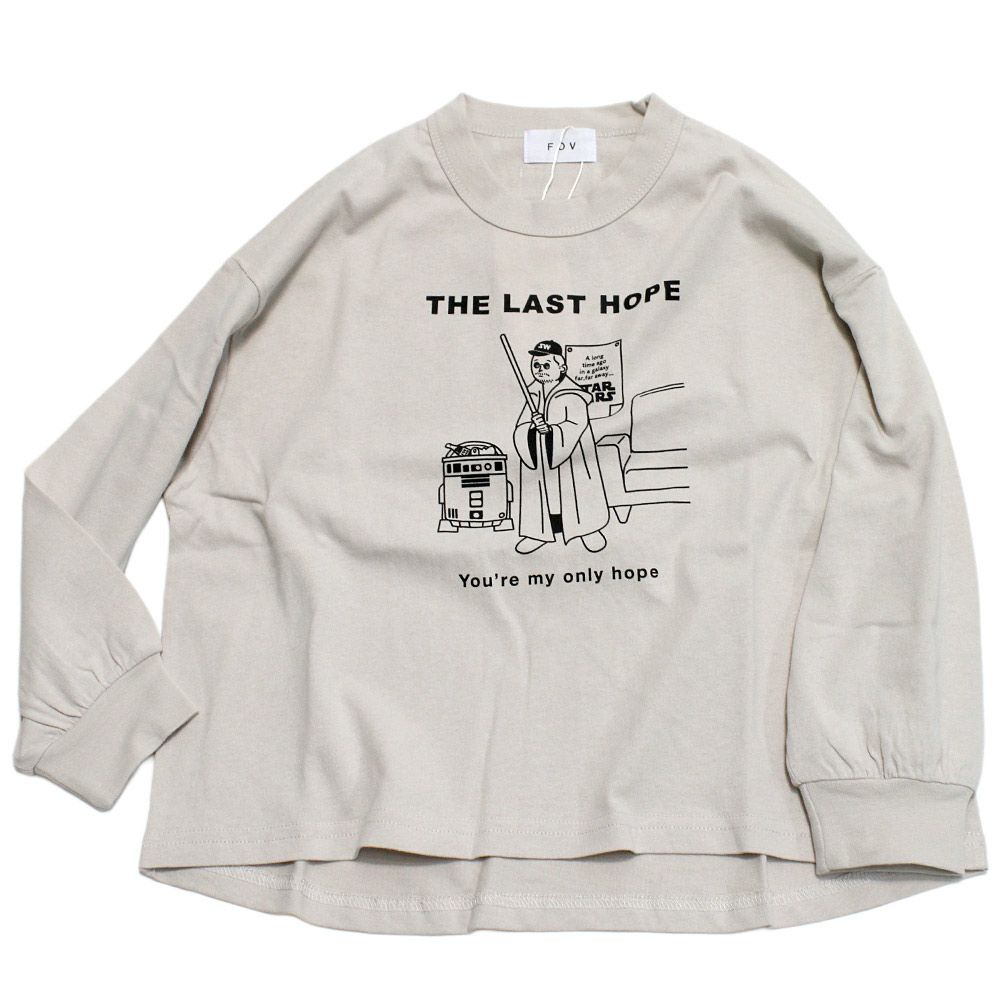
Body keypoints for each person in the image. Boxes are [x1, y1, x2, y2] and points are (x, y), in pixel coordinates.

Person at [512, 340, 609, 554]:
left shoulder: (572, 395)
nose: (540, 370)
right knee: (540, 495)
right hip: (539, 459)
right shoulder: (532, 394)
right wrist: (531, 429)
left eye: (546, 365)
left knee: (575, 495)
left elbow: (576, 424)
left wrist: (552, 431)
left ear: (561, 367)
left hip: (571, 458)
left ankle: (588, 530)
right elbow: (520, 427)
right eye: (536, 365)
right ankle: (538, 533)